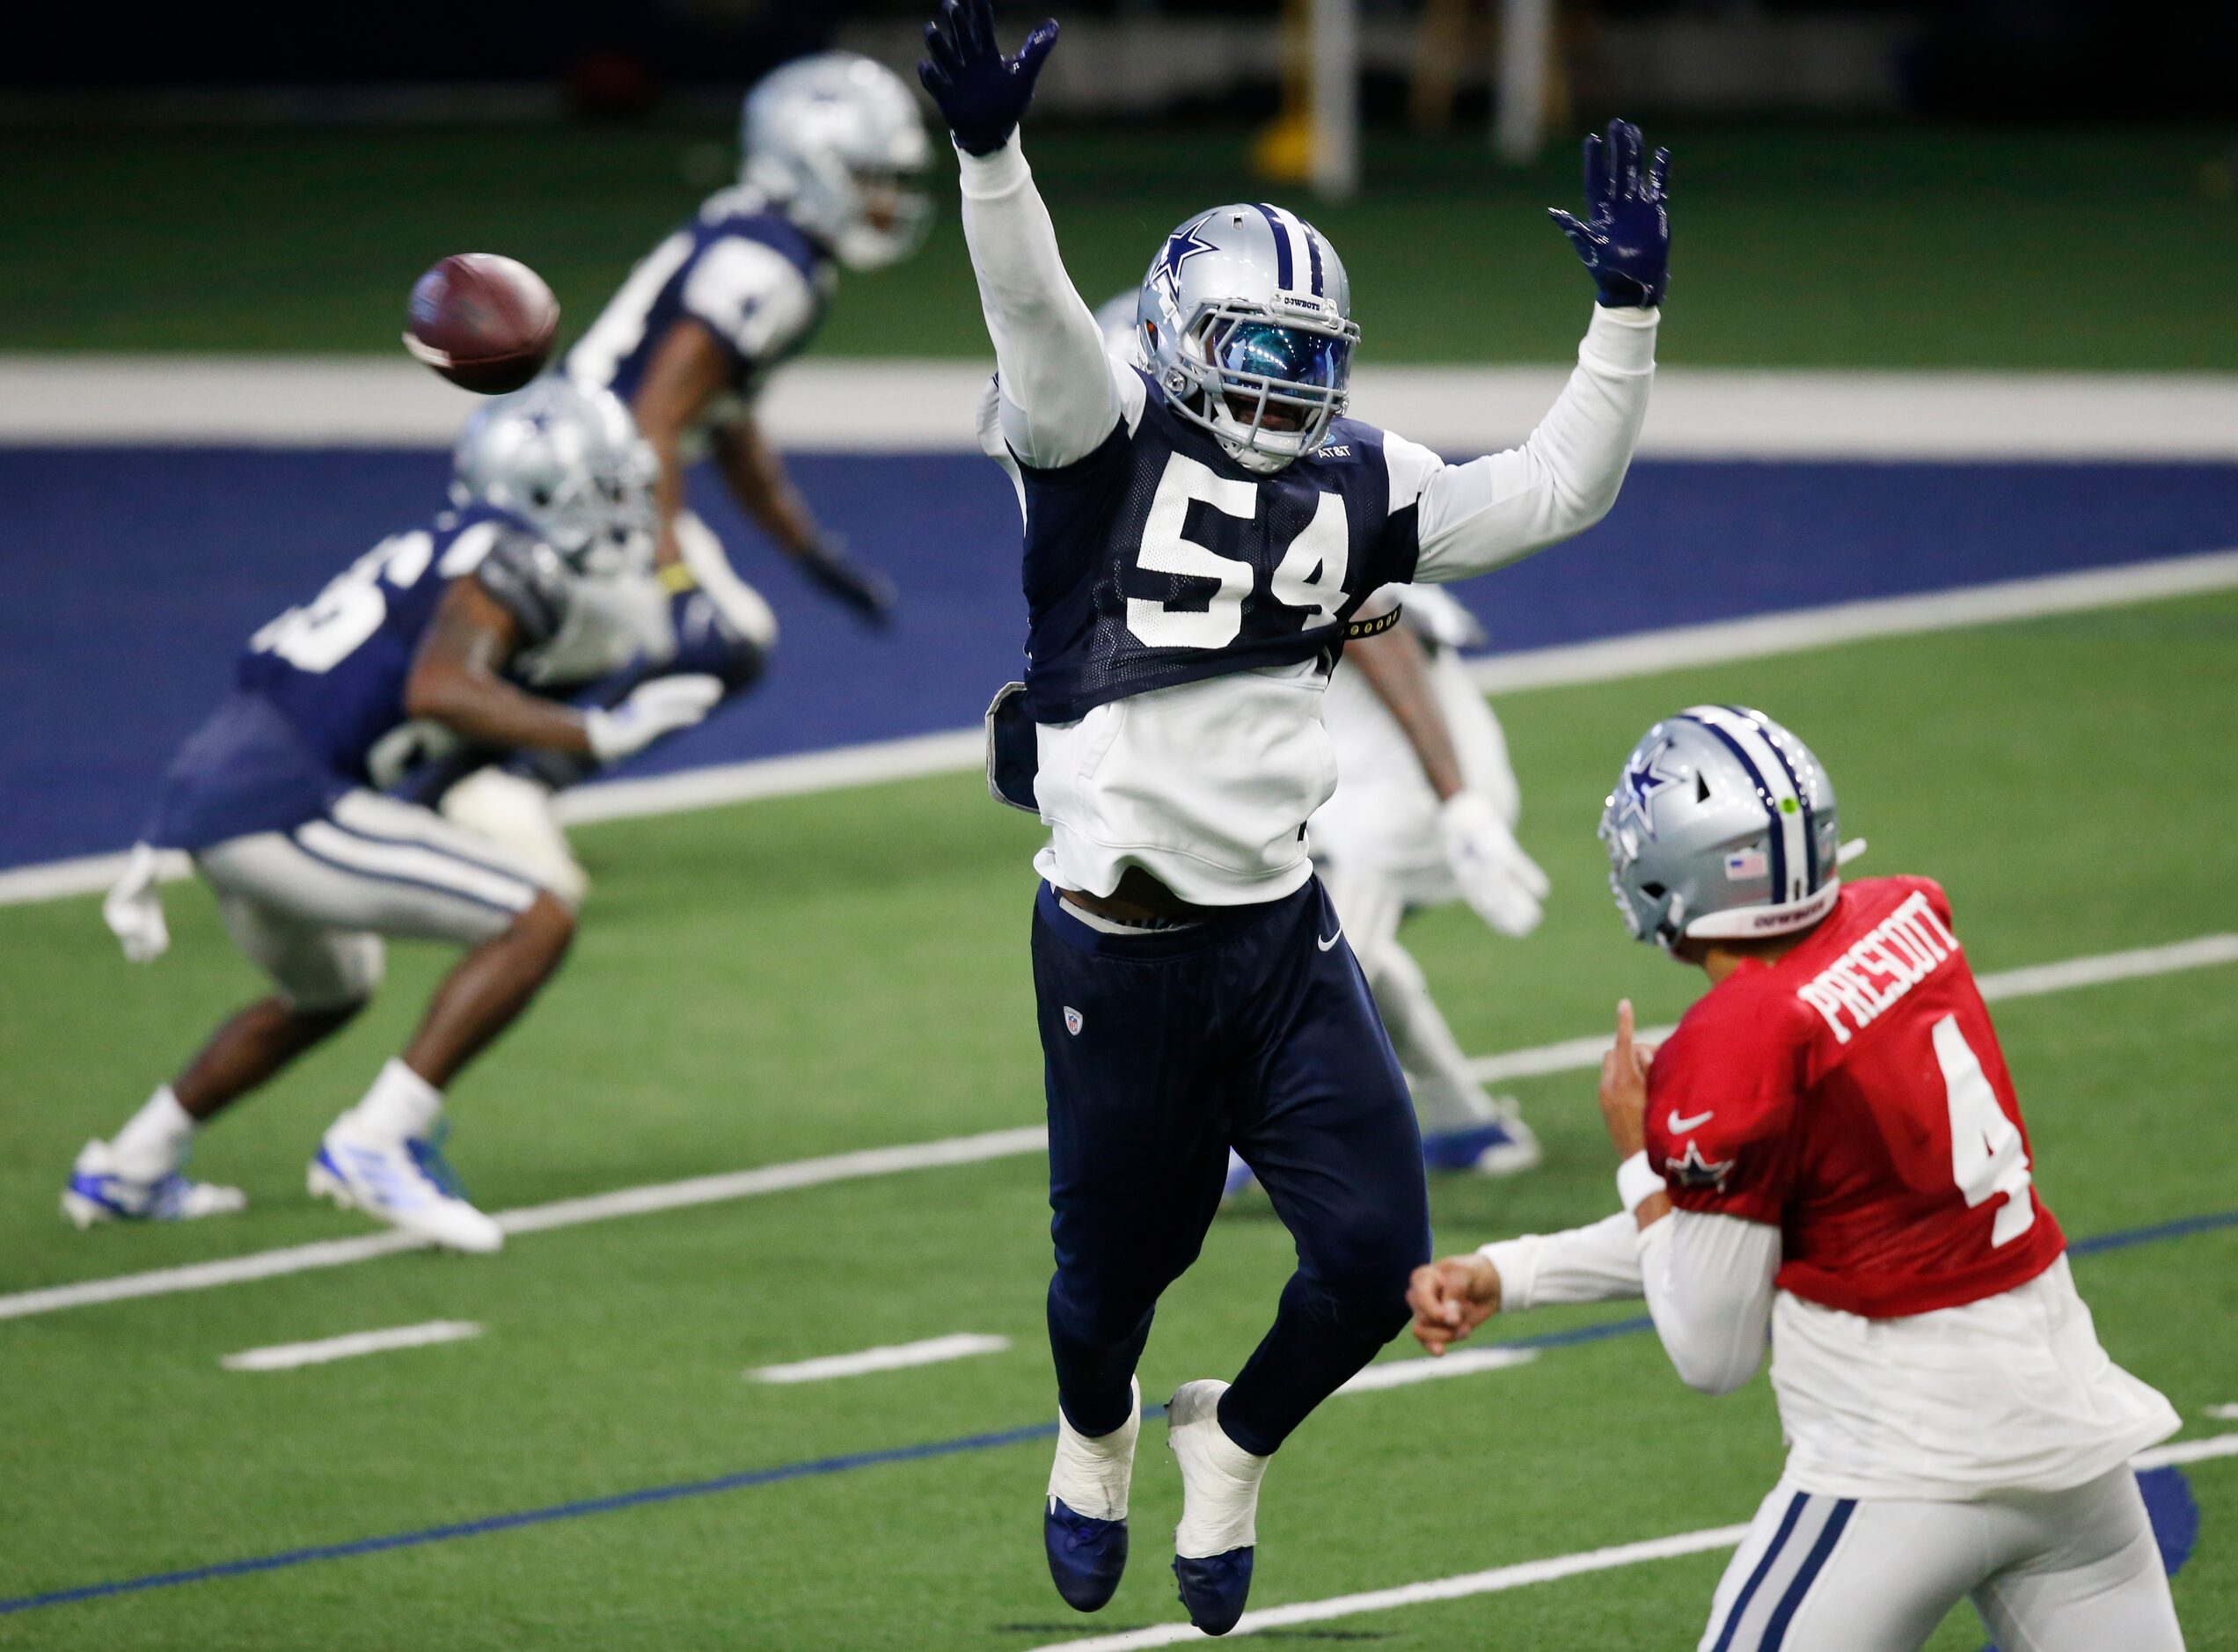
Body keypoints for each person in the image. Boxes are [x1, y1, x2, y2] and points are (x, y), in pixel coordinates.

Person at [920, 0, 1668, 1630]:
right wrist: (990, 153)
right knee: (1100, 1290)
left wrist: (1620, 316)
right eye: (1252, 349)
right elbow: (1030, 302)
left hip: (1276, 930)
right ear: (1184, 334)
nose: (1280, 384)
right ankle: (1097, 1432)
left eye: (1303, 357)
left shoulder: (1357, 475)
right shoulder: (1090, 436)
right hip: (1114, 952)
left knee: (1374, 1260)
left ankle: (1232, 1444)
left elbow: (1552, 488)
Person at [1407, 705, 2184, 1651]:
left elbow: (1711, 1348)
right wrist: (1515, 1271)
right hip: (2071, 1447)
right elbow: (1761, 1213)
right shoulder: (1902, 915)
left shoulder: (1742, 1034)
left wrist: (1638, 1160)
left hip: (1904, 1466)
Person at [77, 382, 720, 1254]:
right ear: (545, 488)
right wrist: (592, 735)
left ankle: (131, 1165)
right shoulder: (507, 552)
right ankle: (374, 1143)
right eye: (607, 482)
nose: (626, 502)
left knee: (329, 991)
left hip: (222, 789)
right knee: (534, 918)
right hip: (286, 800)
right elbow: (441, 688)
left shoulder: (450, 542)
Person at [984, 310, 1548, 1189]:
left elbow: (1382, 636)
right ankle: (1459, 1122)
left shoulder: (1256, 489)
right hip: (1367, 774)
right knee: (1329, 950)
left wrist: (1456, 798)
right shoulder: (1209, 476)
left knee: (1298, 965)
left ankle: (1293, 1133)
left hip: (1401, 778)